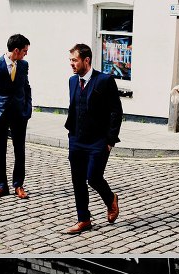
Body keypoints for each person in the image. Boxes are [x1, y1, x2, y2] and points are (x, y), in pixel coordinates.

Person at [64, 43, 123, 234]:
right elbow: (75, 107)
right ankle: (84, 219)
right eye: (71, 60)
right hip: (77, 139)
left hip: (98, 140)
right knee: (78, 180)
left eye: (75, 60)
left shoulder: (104, 81)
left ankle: (111, 199)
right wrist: (71, 135)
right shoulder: (73, 81)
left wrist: (110, 140)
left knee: (93, 177)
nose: (72, 64)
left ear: (86, 60)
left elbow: (116, 111)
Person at [0, 33, 32, 201]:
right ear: (16, 50)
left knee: (20, 151)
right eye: (24, 50)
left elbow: (26, 88)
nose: (26, 53)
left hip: (19, 114)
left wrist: (28, 109)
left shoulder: (24, 65)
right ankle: (1, 187)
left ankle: (18, 185)